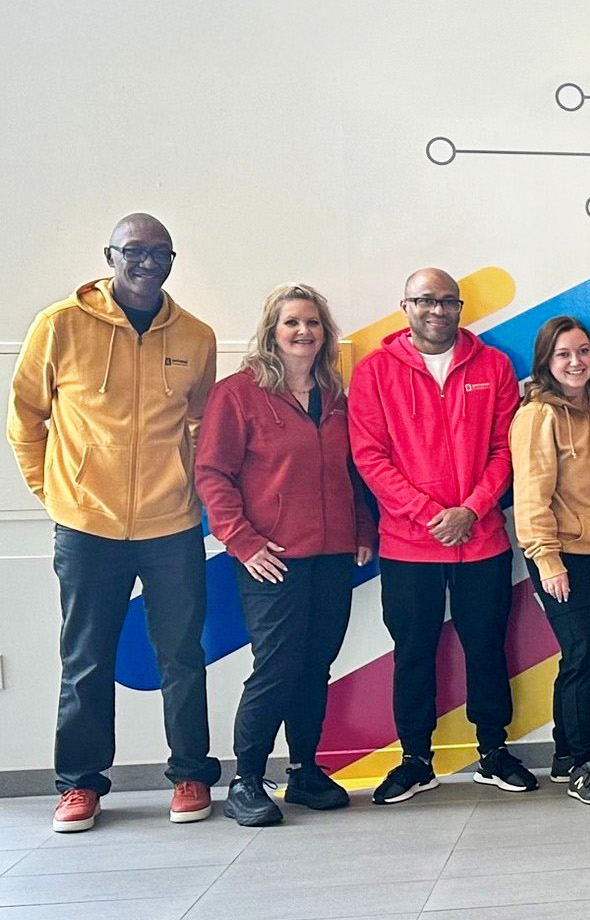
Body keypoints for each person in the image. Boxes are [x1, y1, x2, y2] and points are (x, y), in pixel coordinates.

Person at [8, 214, 220, 832]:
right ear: (110, 255)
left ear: (172, 260)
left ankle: (190, 774)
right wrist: (55, 494)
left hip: (171, 524)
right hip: (87, 526)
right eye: (134, 250)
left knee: (182, 656)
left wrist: (192, 491)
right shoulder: (60, 325)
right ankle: (80, 784)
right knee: (86, 660)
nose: (147, 262)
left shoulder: (197, 336)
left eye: (160, 252)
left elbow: (202, 425)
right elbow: (25, 418)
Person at [351, 267, 530, 803]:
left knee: (487, 648)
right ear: (405, 306)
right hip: (409, 545)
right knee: (413, 652)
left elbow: (505, 450)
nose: (437, 310)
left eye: (448, 301)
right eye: (425, 300)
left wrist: (471, 510)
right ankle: (415, 760)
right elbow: (369, 457)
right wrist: (429, 514)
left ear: (459, 308)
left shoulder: (494, 366)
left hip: (482, 539)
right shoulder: (374, 372)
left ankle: (493, 751)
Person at [196, 283, 372, 826]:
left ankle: (304, 772)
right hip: (272, 557)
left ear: (326, 333)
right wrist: (243, 541)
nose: (303, 331)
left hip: (333, 555)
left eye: (313, 323)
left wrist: (363, 528)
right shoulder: (237, 394)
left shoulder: (336, 396)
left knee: (315, 666)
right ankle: (246, 781)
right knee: (276, 666)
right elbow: (212, 474)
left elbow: (352, 471)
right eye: (292, 322)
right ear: (272, 331)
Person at [511, 316, 590, 805]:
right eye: (563, 354)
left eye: (583, 351)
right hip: (564, 557)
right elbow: (531, 497)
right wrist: (548, 560)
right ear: (547, 362)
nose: (575, 362)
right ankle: (583, 764)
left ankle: (568, 755)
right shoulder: (537, 417)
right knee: (583, 654)